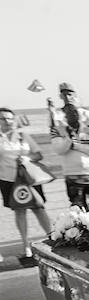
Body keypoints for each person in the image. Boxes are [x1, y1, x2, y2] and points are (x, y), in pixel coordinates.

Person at [0, 107, 51, 264]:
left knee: (39, 208)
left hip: (28, 178)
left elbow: (38, 154)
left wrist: (27, 158)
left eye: (9, 118)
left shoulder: (23, 135)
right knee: (19, 211)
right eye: (3, 119)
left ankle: (53, 237)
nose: (7, 121)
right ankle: (25, 246)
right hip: (8, 179)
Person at [50, 82, 89, 213]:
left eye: (70, 93)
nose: (67, 97)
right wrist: (69, 139)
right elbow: (58, 149)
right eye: (64, 94)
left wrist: (74, 144)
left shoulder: (88, 116)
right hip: (71, 173)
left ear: (75, 94)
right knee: (79, 213)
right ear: (60, 96)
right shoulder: (57, 118)